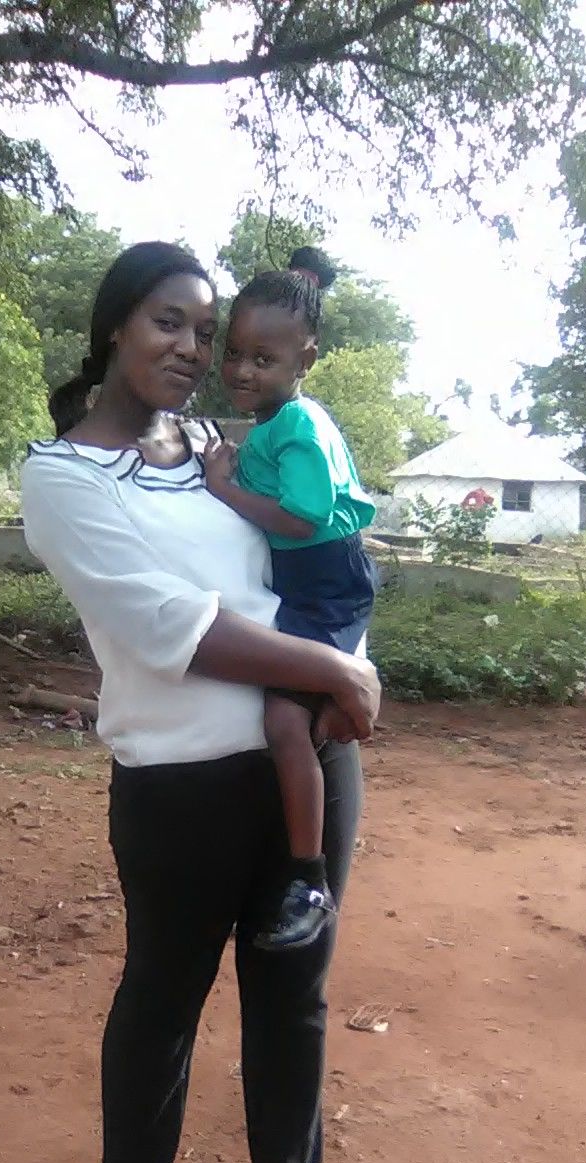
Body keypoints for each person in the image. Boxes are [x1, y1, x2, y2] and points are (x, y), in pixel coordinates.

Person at [20, 241, 381, 1163]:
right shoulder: (62, 477)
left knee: (294, 996)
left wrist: (342, 665)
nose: (191, 348)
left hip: (306, 769)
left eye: (206, 331)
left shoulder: (226, 447)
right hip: (178, 786)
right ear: (116, 327)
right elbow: (164, 623)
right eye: (168, 322)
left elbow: (314, 565)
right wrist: (336, 673)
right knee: (161, 1000)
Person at [203, 247, 380, 952]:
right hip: (312, 581)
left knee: (283, 722)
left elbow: (303, 519)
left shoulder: (300, 427)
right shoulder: (279, 423)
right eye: (234, 354)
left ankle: (309, 881)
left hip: (324, 582)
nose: (243, 371)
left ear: (305, 360)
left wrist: (224, 489)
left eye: (264, 359)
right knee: (297, 707)